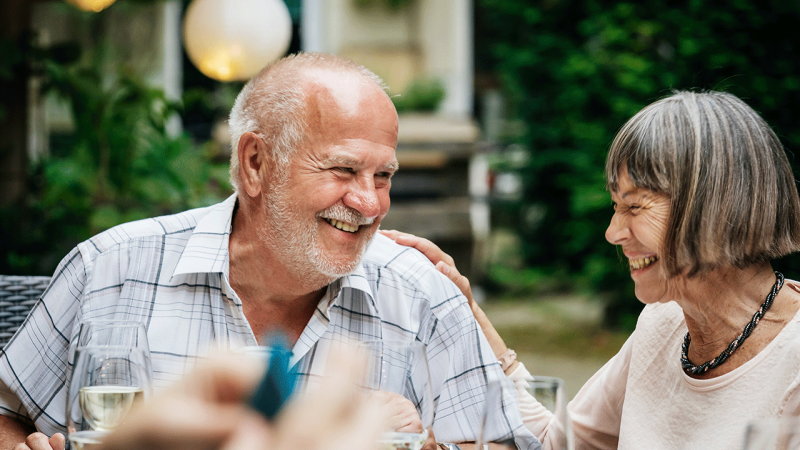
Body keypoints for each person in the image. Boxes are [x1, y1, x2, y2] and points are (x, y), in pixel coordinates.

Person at [0, 53, 538, 450]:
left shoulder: (421, 294)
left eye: (383, 176)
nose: (370, 202)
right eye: (344, 169)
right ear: (256, 163)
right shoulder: (110, 270)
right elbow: (7, 413)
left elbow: (504, 442)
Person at [384, 90, 800, 449]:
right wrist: (470, 313)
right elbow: (556, 443)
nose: (613, 232)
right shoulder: (663, 324)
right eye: (615, 206)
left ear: (715, 208)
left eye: (634, 206)